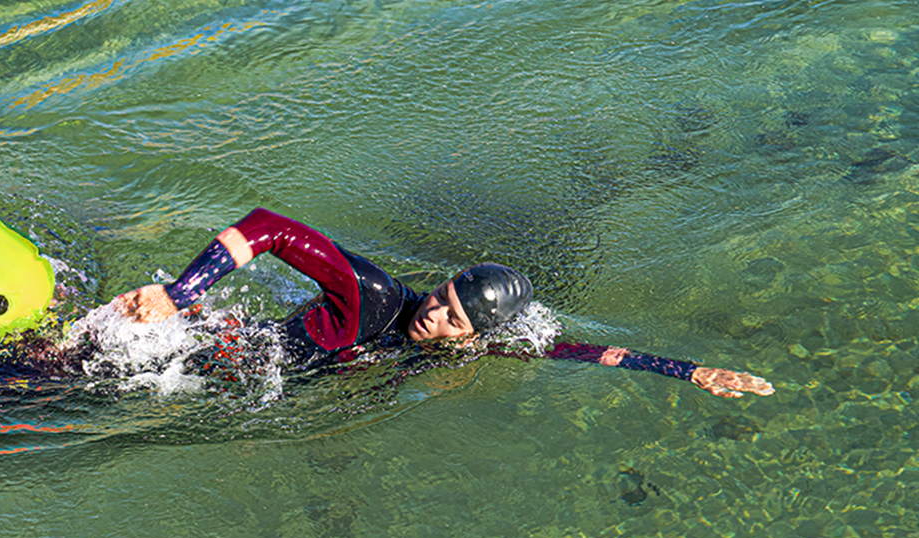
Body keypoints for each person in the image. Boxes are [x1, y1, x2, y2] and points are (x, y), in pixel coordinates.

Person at [112, 208, 773, 398]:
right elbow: (268, 227)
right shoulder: (373, 298)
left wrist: (689, 371)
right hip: (213, 358)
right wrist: (179, 293)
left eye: (452, 317)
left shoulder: (479, 345)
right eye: (442, 296)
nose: (432, 313)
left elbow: (582, 352)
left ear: (472, 336)